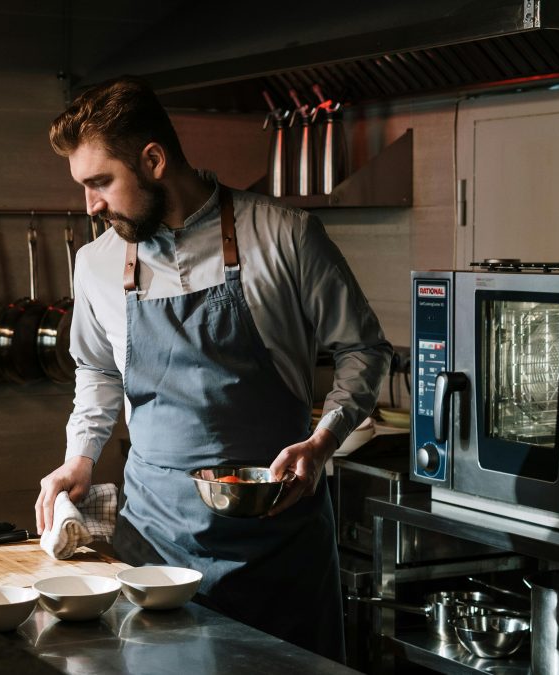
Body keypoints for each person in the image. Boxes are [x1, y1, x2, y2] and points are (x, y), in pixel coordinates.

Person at [35, 75, 392, 662]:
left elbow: (363, 348)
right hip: (155, 543)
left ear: (153, 160)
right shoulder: (95, 264)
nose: (90, 205)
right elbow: (97, 371)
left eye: (100, 182)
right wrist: (81, 455)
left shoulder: (284, 235)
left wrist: (324, 441)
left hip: (277, 543)